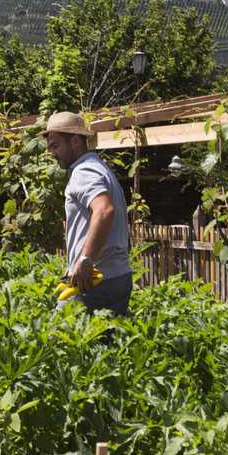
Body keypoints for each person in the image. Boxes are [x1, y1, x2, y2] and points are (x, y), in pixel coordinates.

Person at [44, 111, 132, 315]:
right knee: (106, 342)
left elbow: (104, 211)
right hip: (117, 276)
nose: (51, 153)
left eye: (55, 146)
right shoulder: (102, 169)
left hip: (94, 282)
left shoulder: (84, 171)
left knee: (58, 340)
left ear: (75, 141)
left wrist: (84, 260)